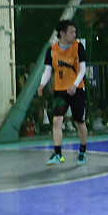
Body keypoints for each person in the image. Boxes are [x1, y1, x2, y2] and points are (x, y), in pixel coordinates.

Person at [38, 19, 88, 166]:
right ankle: (58, 153)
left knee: (79, 122)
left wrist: (74, 85)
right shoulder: (52, 50)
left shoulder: (78, 47)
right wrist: (42, 84)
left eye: (75, 32)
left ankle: (82, 151)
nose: (74, 34)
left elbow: (83, 69)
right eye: (72, 32)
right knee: (56, 121)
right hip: (60, 91)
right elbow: (48, 71)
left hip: (77, 90)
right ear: (62, 33)